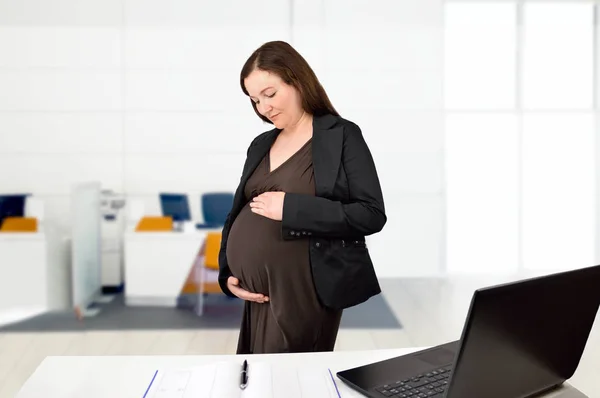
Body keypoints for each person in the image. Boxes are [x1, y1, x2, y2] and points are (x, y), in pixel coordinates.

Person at [218, 40, 386, 355]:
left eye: (269, 94)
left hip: (304, 292)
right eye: (255, 100)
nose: (263, 108)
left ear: (297, 81)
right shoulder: (261, 144)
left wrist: (291, 208)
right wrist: (227, 271)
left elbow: (371, 213)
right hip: (258, 296)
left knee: (289, 382)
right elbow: (236, 212)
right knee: (254, 380)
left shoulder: (342, 136)